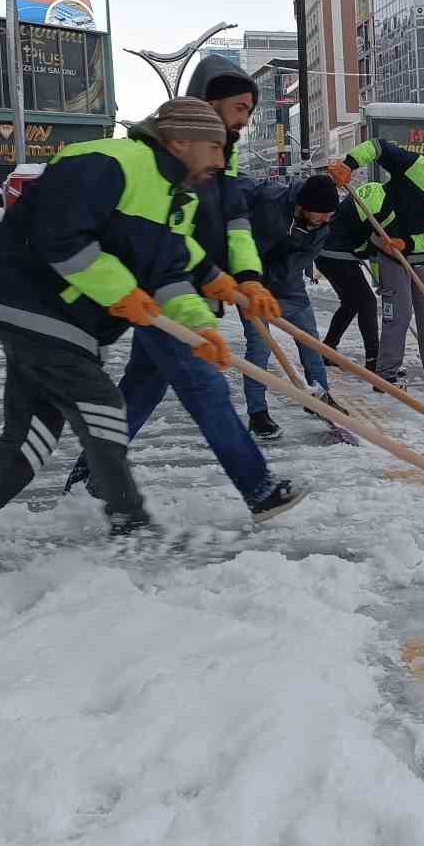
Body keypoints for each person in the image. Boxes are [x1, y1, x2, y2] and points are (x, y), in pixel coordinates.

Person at [0, 98, 235, 574]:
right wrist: (121, 290)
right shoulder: (107, 161)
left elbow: (167, 276)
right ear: (181, 140)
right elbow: (59, 235)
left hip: (67, 323)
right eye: (214, 147)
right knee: (103, 408)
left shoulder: (176, 198)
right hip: (32, 302)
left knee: (32, 437)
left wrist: (200, 326)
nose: (220, 161)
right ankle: (131, 526)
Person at [64, 60, 302, 521]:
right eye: (239, 108)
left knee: (139, 393)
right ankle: (259, 489)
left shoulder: (223, 157)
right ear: (208, 104)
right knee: (204, 387)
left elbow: (235, 221)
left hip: (195, 286)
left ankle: (88, 477)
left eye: (249, 112)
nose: (244, 121)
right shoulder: (170, 155)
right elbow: (164, 228)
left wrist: (249, 278)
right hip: (165, 288)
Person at [328, 140, 424, 391]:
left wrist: (407, 243)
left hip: (419, 254)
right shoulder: (417, 166)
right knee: (399, 313)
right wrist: (349, 165)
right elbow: (377, 147)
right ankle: (385, 376)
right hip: (388, 250)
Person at [240, 173, 343, 439]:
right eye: (322, 213)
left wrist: (277, 275)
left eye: (330, 213)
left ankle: (319, 397)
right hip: (252, 283)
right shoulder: (271, 201)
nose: (326, 219)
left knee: (311, 342)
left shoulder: (322, 226)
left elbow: (299, 261)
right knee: (259, 348)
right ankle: (258, 414)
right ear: (303, 205)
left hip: (289, 286)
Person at [314, 179, 388, 370]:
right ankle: (374, 360)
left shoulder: (374, 190)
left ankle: (327, 349)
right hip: (337, 254)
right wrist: (381, 281)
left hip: (328, 252)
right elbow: (375, 245)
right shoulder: (384, 204)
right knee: (367, 302)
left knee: (351, 303)